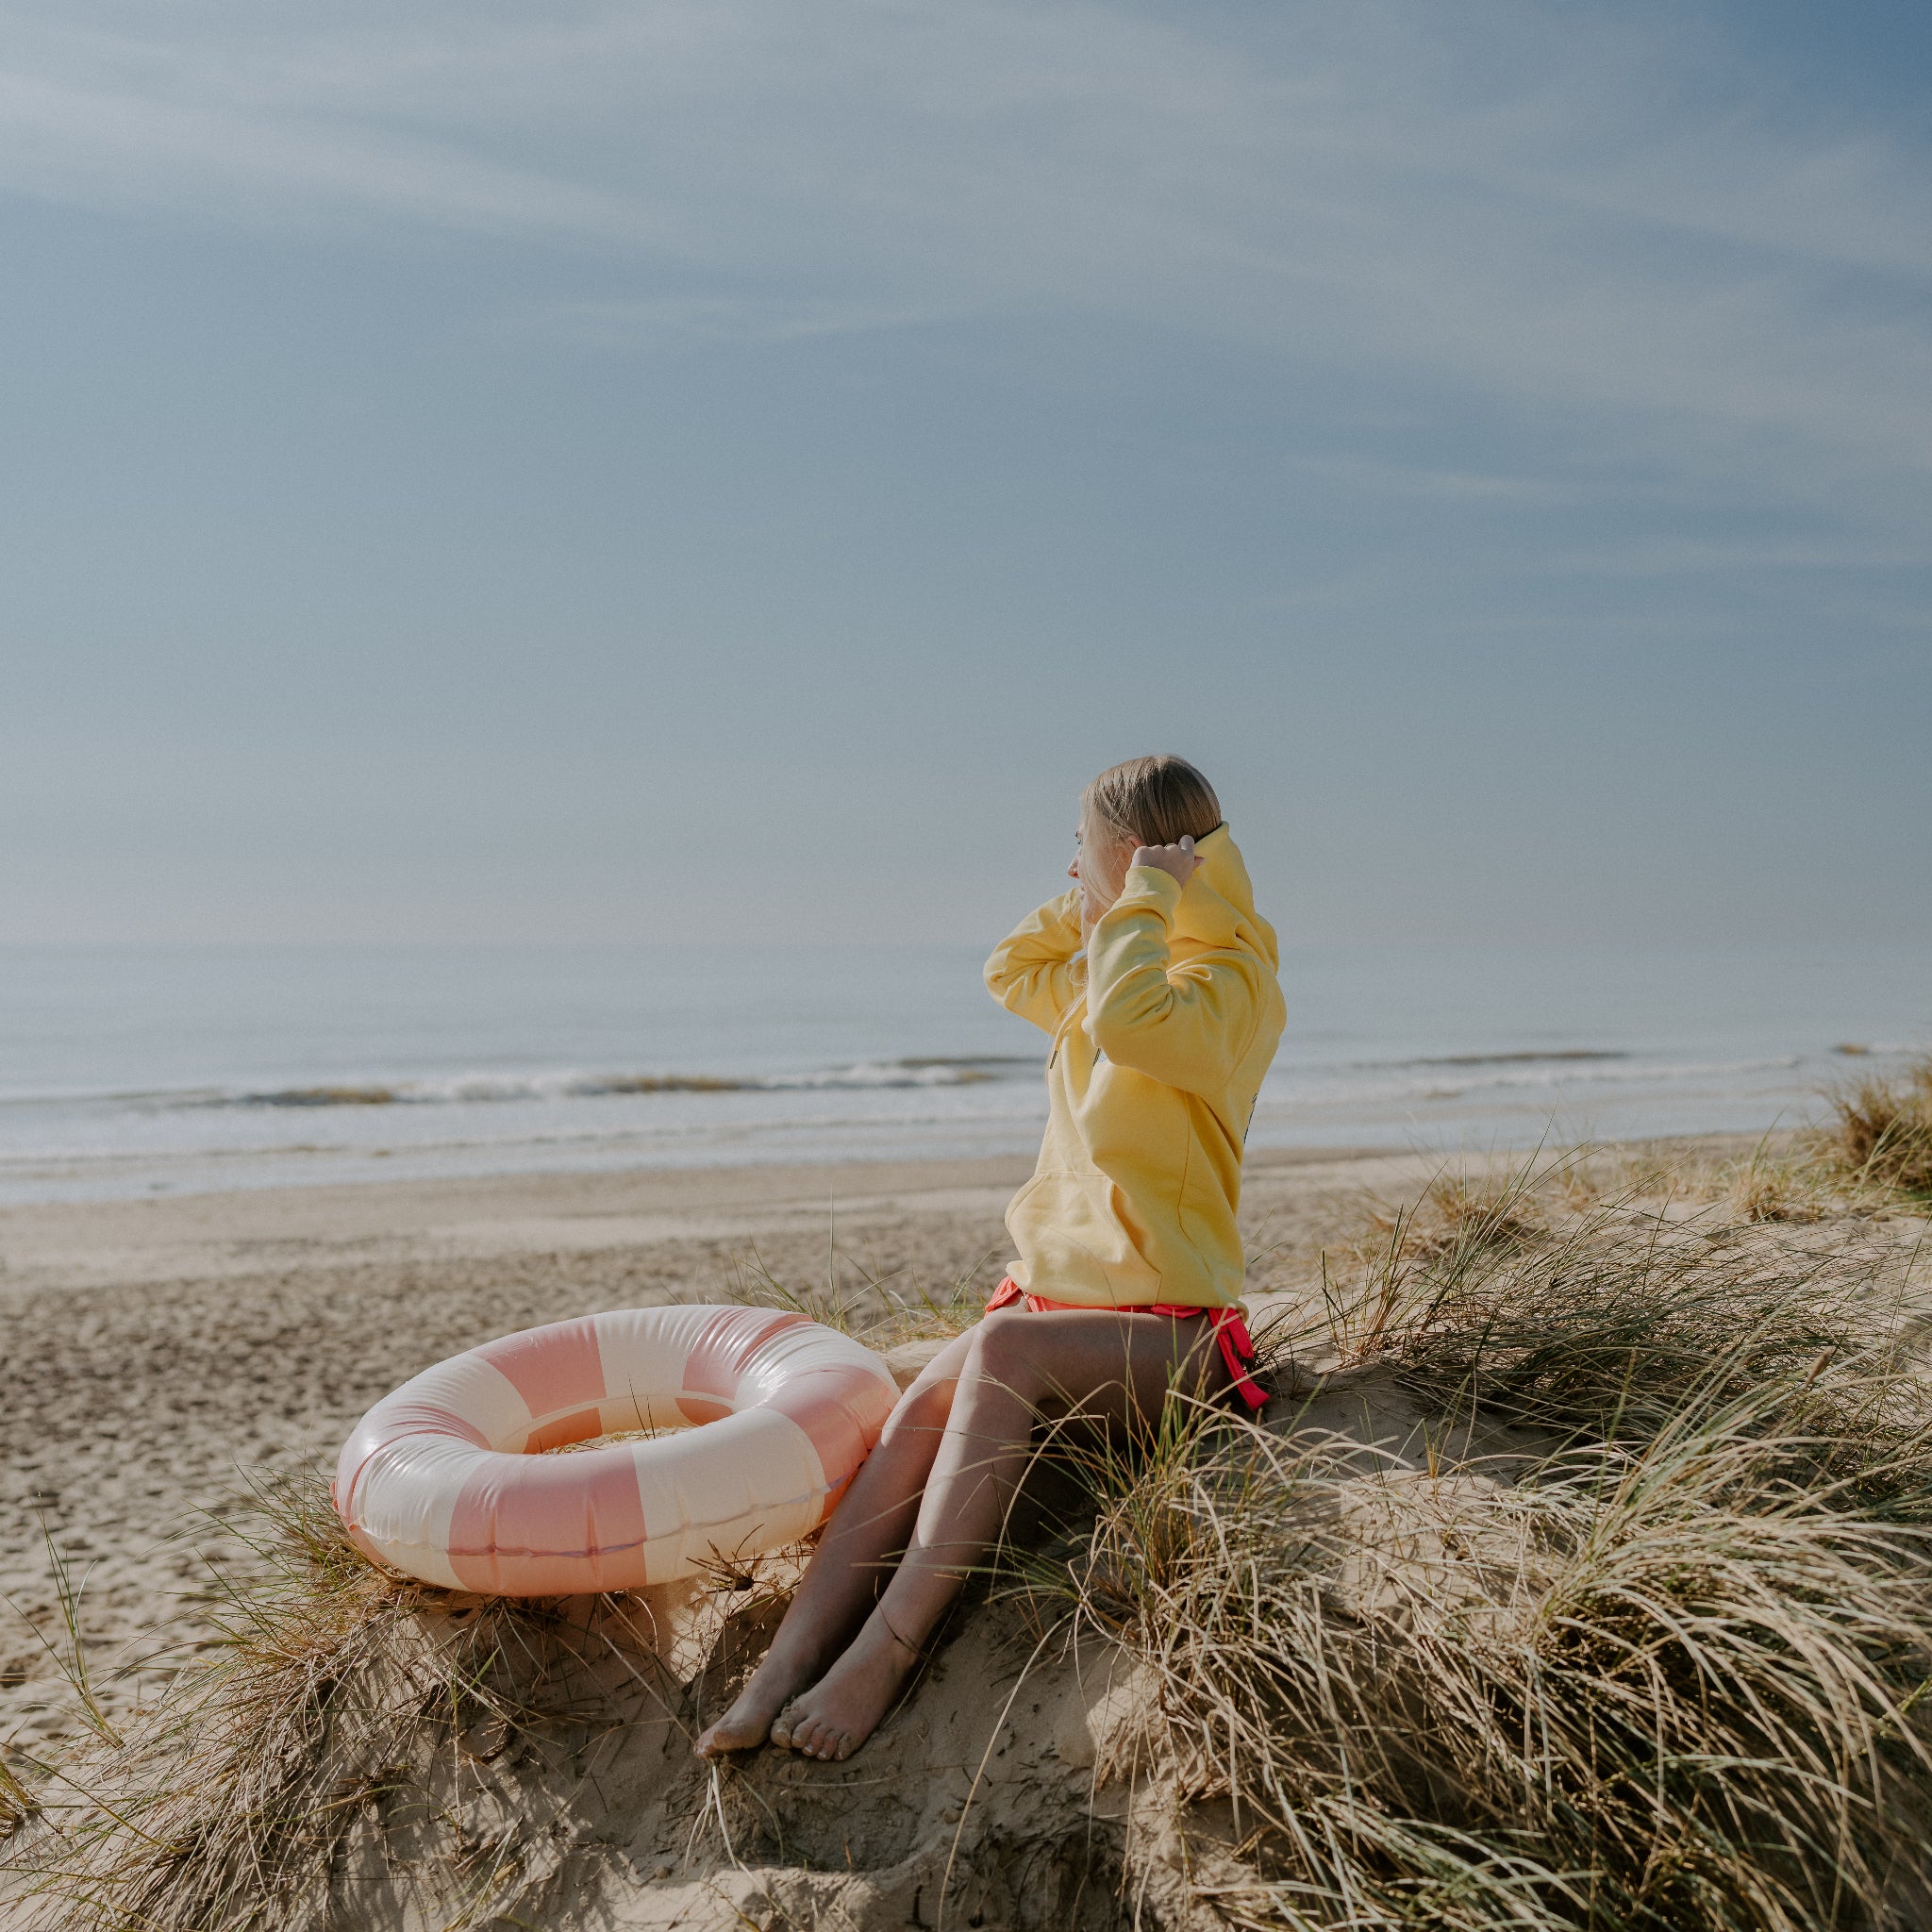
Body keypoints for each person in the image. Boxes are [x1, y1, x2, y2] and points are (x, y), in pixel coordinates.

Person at [695, 754, 1285, 1763]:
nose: (1065, 868)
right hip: (1061, 1312)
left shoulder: (1226, 983)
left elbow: (1133, 1022)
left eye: (1077, 850)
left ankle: (884, 1650)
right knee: (927, 1396)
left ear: (1131, 857)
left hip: (1180, 1340)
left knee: (1002, 1346)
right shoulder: (1116, 956)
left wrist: (1140, 893)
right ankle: (786, 1659)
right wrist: (1102, 905)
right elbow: (1008, 967)